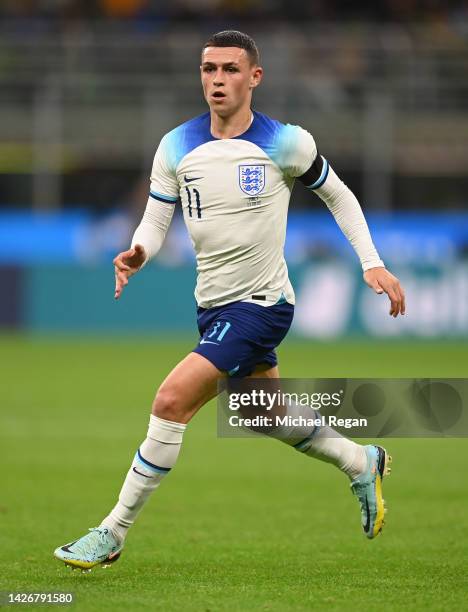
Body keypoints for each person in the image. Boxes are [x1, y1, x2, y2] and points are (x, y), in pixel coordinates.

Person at [54, 30, 405, 570]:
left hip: (262, 305)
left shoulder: (286, 143)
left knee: (171, 402)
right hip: (214, 306)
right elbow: (156, 214)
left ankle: (112, 532)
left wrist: (372, 262)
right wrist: (139, 251)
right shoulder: (176, 145)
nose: (217, 80)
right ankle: (362, 460)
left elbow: (339, 195)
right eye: (209, 69)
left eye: (230, 70)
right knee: (262, 412)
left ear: (254, 77)